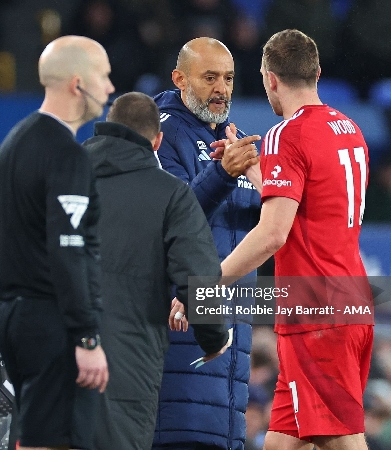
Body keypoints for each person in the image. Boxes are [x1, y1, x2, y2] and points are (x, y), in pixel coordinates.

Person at [220, 29, 373, 450]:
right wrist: (254, 173)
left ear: (270, 79)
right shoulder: (350, 128)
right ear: (318, 72)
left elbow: (272, 234)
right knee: (281, 442)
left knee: (342, 440)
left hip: (317, 312)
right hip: (348, 301)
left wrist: (210, 282)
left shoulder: (286, 134)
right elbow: (307, 203)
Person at [82, 91, 231, 450]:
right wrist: (214, 337)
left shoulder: (55, 179)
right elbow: (198, 276)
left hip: (47, 357)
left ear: (104, 130)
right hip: (125, 365)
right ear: (157, 141)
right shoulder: (171, 194)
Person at [0, 35, 112, 450]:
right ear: (78, 83)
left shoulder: (12, 144)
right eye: (104, 75)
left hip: (13, 318)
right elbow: (68, 247)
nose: (110, 87)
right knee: (56, 441)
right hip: (51, 320)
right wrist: (87, 336)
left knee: (35, 438)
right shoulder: (66, 154)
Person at [152, 37, 261, 449]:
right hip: (179, 341)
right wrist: (224, 173)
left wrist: (262, 183)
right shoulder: (160, 134)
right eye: (210, 77)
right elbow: (170, 218)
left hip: (231, 355)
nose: (222, 89)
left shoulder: (237, 140)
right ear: (179, 78)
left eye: (229, 79)